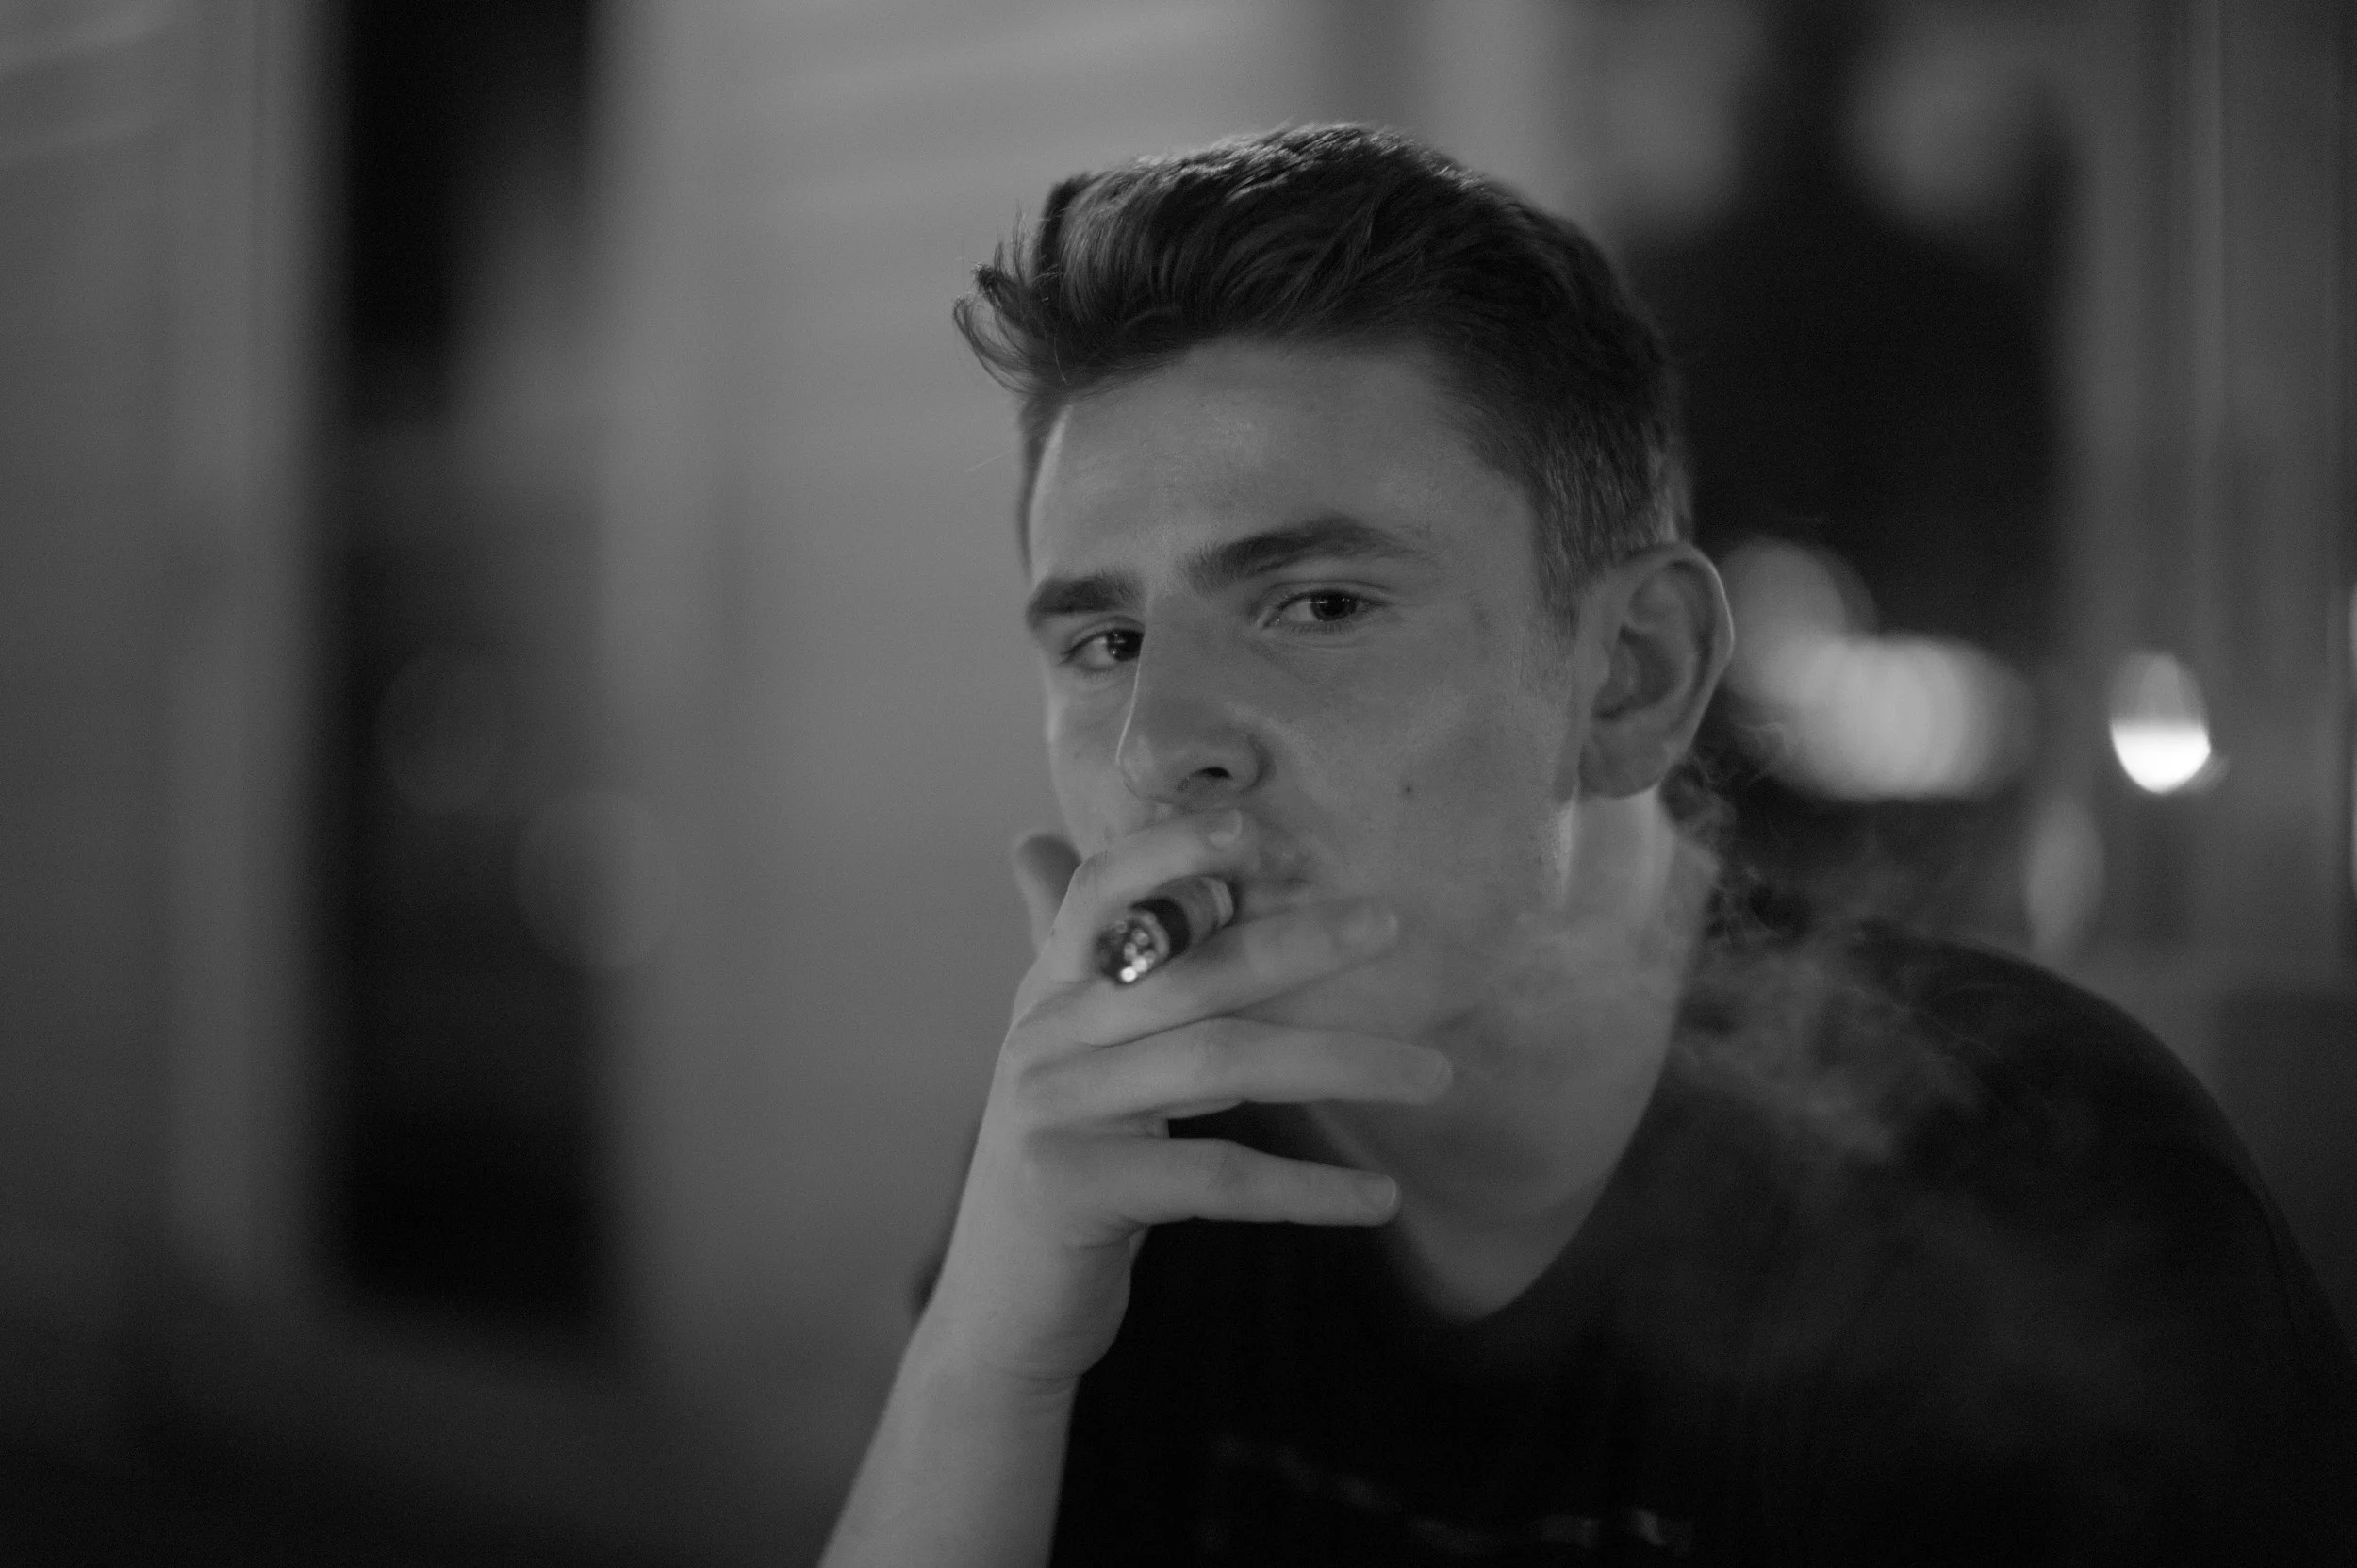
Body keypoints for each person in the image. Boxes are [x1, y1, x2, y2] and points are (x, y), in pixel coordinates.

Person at [819, 124, 2354, 1566]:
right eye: (1105, 640)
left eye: (1319, 603)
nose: (1159, 744)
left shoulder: (2035, 1201)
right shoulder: (1122, 1157)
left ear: (1630, 677)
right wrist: (988, 1356)